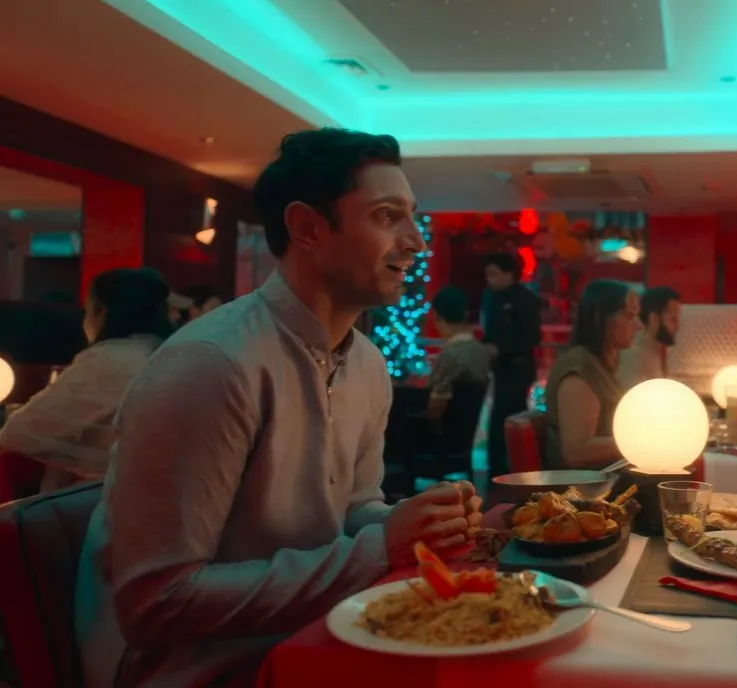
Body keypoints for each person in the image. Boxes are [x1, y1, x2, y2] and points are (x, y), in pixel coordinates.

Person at [75, 128, 483, 688]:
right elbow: (156, 604)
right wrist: (378, 548)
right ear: (307, 227)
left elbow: (351, 509)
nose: (416, 242)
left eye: (412, 217)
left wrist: (413, 522)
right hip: (192, 668)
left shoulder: (365, 362)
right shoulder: (212, 363)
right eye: (387, 216)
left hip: (308, 633)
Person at [0, 268, 173, 492]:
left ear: (102, 312)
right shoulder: (169, 353)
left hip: (107, 496)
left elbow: (18, 434)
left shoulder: (108, 360)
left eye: (87, 310)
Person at [543, 280, 639, 470]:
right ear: (600, 317)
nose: (638, 326)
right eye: (629, 316)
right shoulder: (579, 368)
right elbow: (576, 451)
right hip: (583, 485)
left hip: (610, 477)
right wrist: (643, 442)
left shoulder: (599, 365)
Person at [480, 252, 542, 480]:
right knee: (498, 416)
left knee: (513, 415)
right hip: (499, 368)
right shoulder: (490, 297)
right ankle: (496, 467)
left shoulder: (525, 299)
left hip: (518, 368)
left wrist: (501, 349)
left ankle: (513, 466)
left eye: (494, 274)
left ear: (509, 274)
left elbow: (531, 338)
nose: (490, 279)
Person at [426, 285, 490, 422]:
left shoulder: (450, 354)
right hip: (472, 427)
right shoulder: (481, 350)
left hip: (447, 427)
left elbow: (435, 405)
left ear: (436, 316)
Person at [616, 285, 681, 390]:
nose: (677, 326)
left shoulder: (650, 349)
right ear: (654, 319)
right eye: (673, 319)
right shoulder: (634, 357)